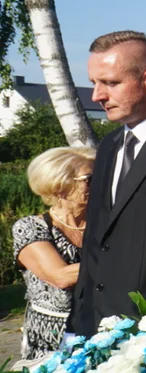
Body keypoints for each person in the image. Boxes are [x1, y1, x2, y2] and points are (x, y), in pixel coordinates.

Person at [72, 31, 146, 336]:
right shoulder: (110, 146)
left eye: (110, 83)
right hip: (97, 332)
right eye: (94, 83)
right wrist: (78, 326)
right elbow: (96, 243)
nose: (97, 96)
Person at [13, 147, 94, 358]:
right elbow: (61, 276)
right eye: (89, 179)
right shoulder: (30, 227)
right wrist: (123, 262)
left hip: (99, 327)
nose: (99, 183)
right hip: (51, 336)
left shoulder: (102, 224)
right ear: (60, 187)